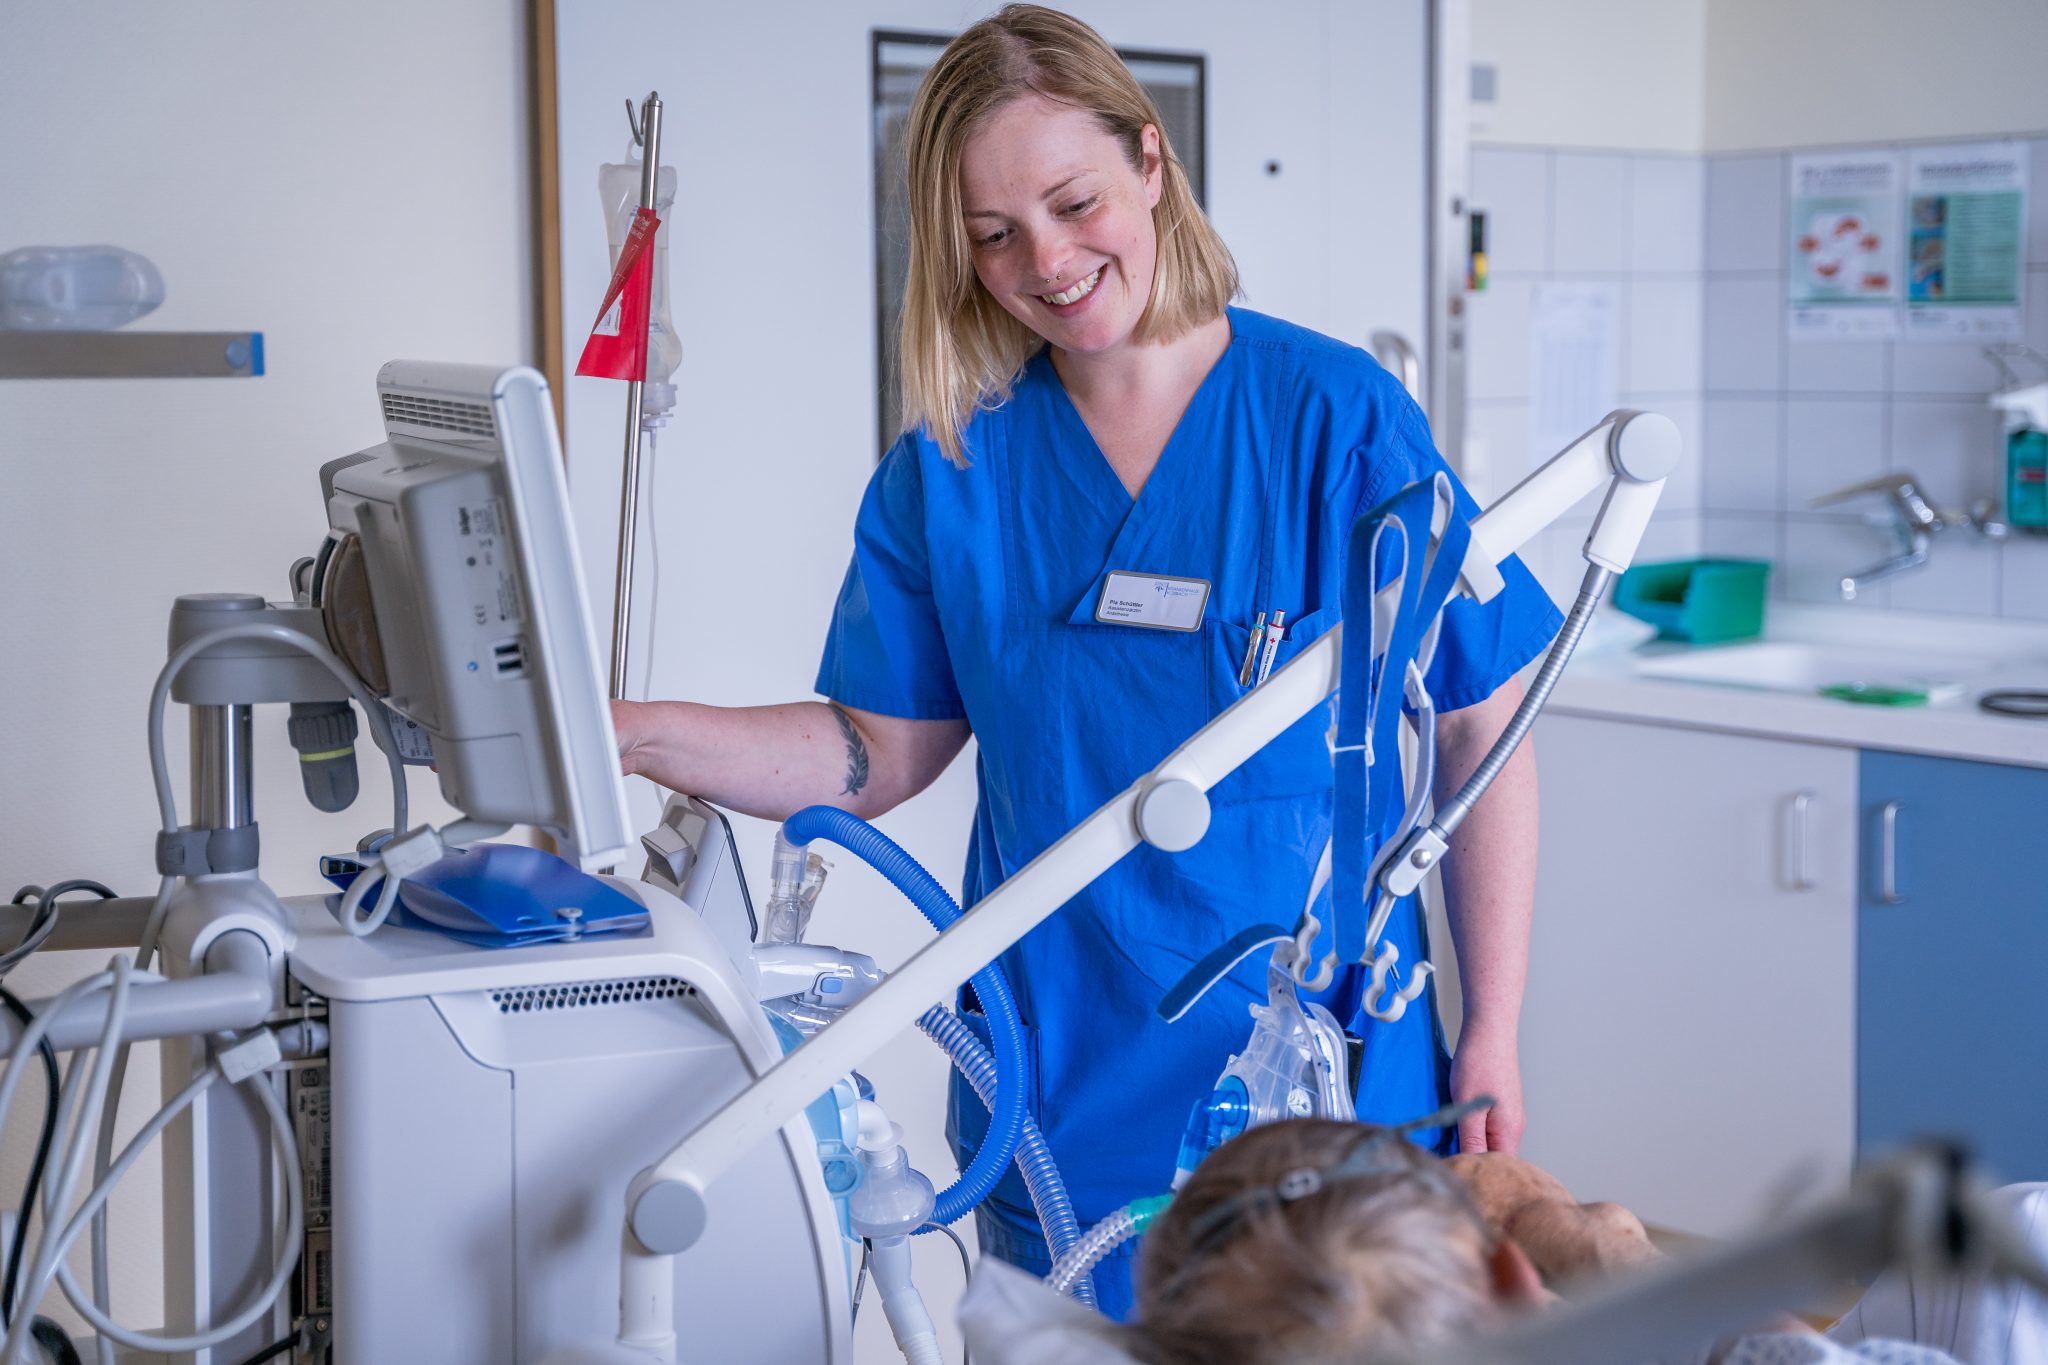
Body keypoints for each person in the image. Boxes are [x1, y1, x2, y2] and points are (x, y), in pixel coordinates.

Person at [608, 4, 1562, 1317]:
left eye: (1071, 203)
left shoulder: (1335, 420)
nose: (1045, 261)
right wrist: (634, 729)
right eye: (993, 236)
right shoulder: (952, 468)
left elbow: (1479, 727)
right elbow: (871, 753)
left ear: (1152, 163)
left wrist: (1494, 1025)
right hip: (1052, 1082)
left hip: (1319, 1081)